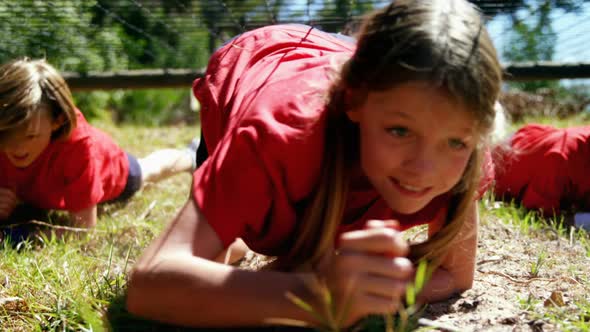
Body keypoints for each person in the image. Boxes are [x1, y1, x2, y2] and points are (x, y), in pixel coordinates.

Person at [126, 0, 502, 328]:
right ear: (354, 102)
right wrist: (318, 297)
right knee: (219, 262)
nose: (424, 168)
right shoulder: (275, 136)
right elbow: (152, 285)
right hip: (262, 61)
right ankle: (226, 214)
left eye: (455, 142)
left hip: (347, 57)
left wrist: (371, 290)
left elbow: (453, 274)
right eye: (400, 131)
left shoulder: (457, 140)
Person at [0, 58, 197, 231]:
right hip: (42, 192)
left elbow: (83, 229)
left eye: (30, 136)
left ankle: (190, 155)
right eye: (5, 135)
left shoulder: (79, 148)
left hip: (112, 174)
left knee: (149, 169)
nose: (14, 148)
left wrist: (30, 234)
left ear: (57, 120)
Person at [492, 123, 590, 230]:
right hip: (499, 159)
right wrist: (584, 220)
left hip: (533, 137)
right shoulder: (560, 159)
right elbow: (541, 216)